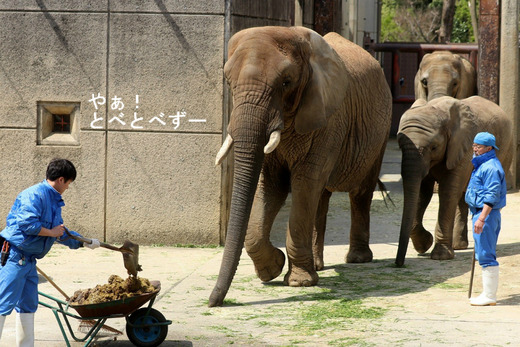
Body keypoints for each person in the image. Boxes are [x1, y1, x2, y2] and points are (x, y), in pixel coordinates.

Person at [0, 158, 100, 346]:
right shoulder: (34, 195)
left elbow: (60, 232)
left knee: (28, 306)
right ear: (61, 179)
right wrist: (52, 232)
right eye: (69, 183)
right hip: (14, 257)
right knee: (3, 305)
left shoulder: (53, 200)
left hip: (29, 261)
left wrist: (84, 242)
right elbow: (28, 224)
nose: (68, 188)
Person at [465, 132, 507, 306]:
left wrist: (481, 218)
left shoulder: (491, 167)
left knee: (485, 254)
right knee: (484, 251)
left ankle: (489, 295)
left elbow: (492, 195)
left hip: (486, 215)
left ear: (489, 148)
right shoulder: (482, 164)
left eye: (479, 146)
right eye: (474, 145)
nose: (475, 149)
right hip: (481, 213)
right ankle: (487, 293)